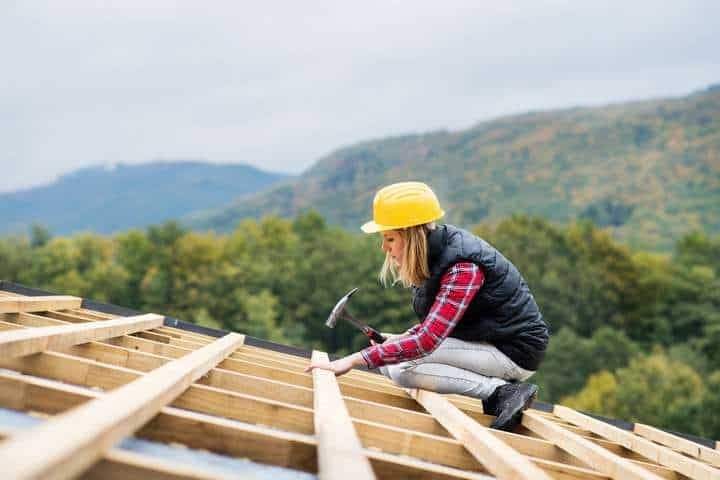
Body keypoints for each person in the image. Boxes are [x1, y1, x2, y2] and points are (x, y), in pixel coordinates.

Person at [305, 181, 549, 431]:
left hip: (514, 351)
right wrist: (400, 339)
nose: (384, 248)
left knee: (403, 369)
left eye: (389, 238)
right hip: (485, 342)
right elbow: (439, 324)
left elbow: (428, 340)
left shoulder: (462, 268)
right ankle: (497, 390)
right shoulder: (434, 258)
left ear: (411, 236)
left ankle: (502, 391)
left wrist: (353, 360)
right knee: (391, 363)